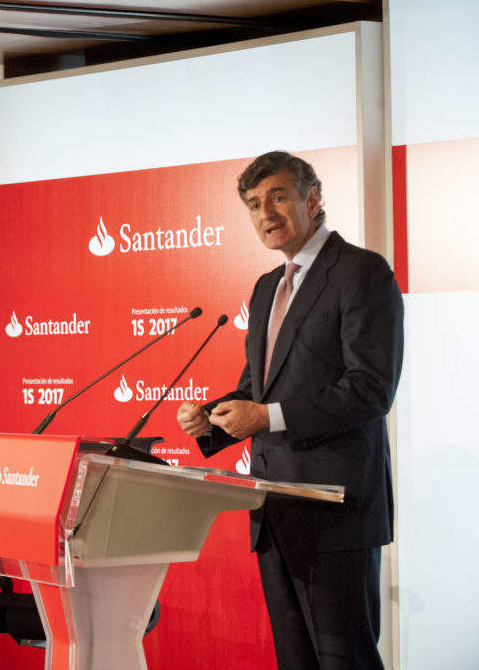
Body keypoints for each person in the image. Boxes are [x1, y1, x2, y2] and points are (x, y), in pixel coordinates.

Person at [175, 151, 403, 670]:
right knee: (295, 660)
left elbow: (371, 389)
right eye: (254, 204)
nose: (266, 214)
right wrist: (210, 419)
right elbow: (257, 389)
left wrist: (267, 417)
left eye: (278, 197)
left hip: (336, 513)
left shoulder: (361, 272)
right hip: (274, 510)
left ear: (312, 198)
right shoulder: (265, 288)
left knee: (345, 660)